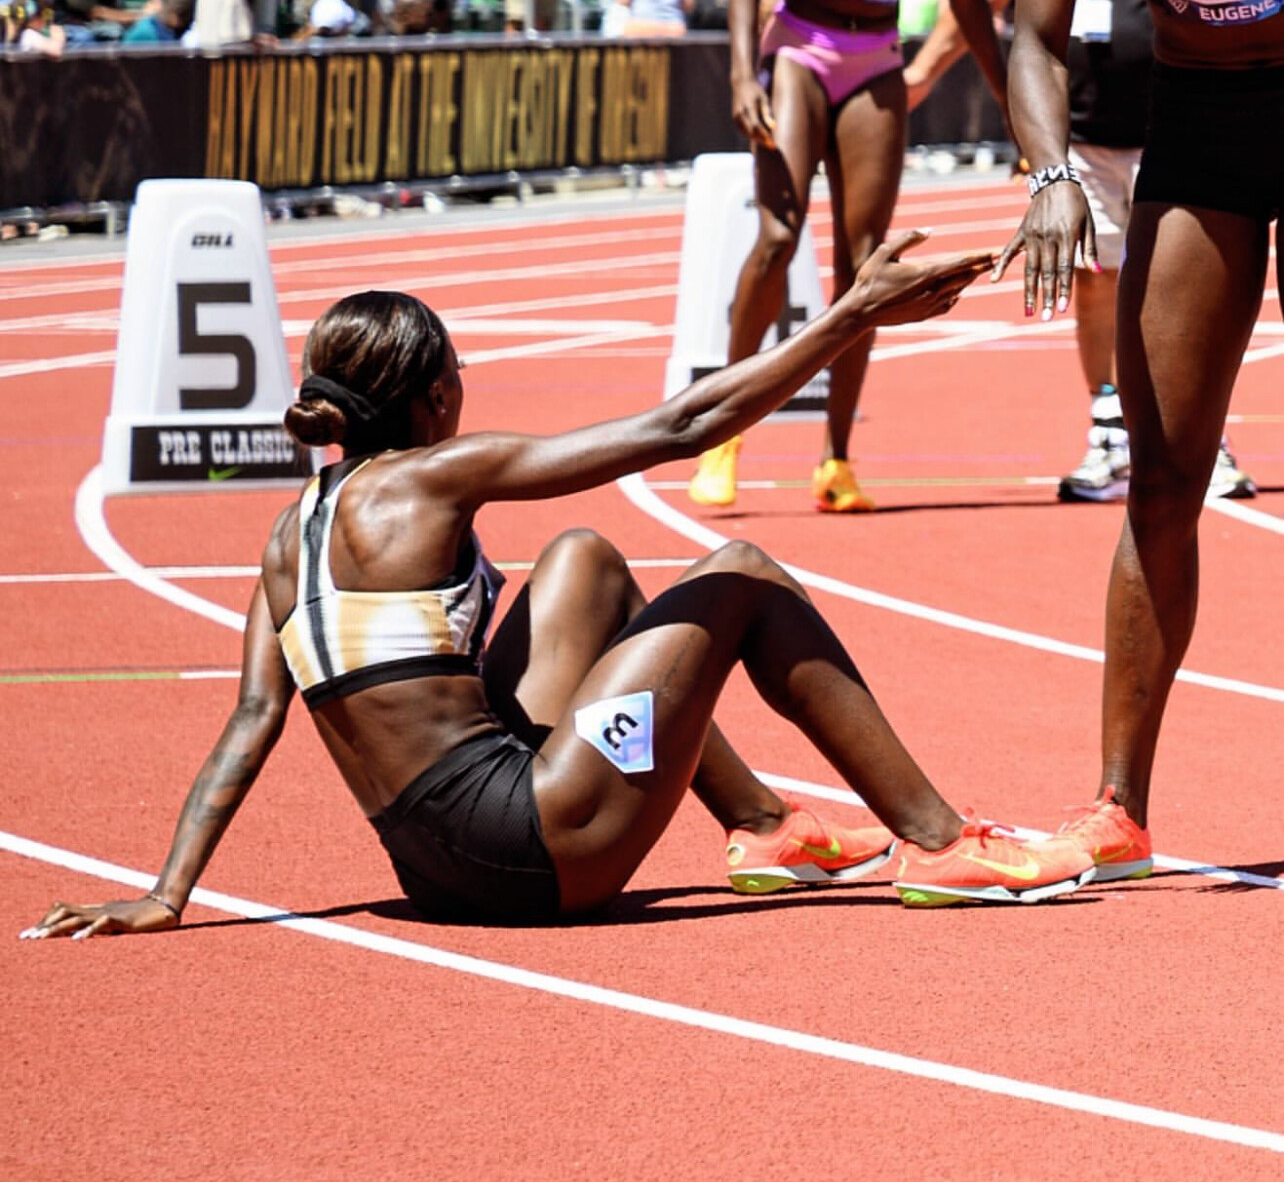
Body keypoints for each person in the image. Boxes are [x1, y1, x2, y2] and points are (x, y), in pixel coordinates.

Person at [23, 247, 1106, 939]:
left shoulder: (283, 535)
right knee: (742, 575)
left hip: (431, 874)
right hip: (530, 852)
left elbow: (252, 719)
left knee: (583, 557)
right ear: (435, 396)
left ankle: (765, 827)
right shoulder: (436, 472)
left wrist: (167, 891)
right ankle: (941, 842)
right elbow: (683, 425)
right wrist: (851, 316)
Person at [994, 0, 1284, 879]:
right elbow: (1032, 38)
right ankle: (1119, 810)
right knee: (1162, 479)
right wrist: (1050, 172)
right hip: (1203, 128)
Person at [906, 0, 1256, 506]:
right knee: (1097, 284)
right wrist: (922, 75)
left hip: (1178, 122)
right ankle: (1110, 429)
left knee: (1191, 288)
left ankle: (1207, 433)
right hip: (1089, 131)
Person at [687, 0, 1006, 512]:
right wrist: (742, 75)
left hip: (875, 58)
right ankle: (722, 434)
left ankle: (835, 458)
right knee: (777, 237)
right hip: (800, 50)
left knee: (867, 266)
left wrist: (1011, 105)